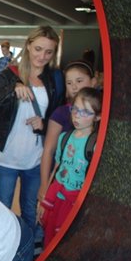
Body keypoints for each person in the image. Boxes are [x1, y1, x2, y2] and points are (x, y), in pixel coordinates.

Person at [0, 25, 64, 249]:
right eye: (38, 49)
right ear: (28, 45)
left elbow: (58, 114)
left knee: (30, 209)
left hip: (36, 157)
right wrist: (14, 89)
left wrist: (45, 123)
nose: (42, 56)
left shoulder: (55, 79)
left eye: (48, 52)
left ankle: (28, 250)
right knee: (2, 208)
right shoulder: (8, 75)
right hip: (6, 157)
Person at [38, 87, 102, 246]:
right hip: (56, 197)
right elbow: (58, 167)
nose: (77, 115)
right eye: (75, 109)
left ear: (98, 116)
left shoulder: (94, 145)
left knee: (66, 242)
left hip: (74, 202)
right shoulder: (64, 138)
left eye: (86, 112)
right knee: (49, 239)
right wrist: (45, 196)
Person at [38, 60, 97, 205]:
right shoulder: (61, 112)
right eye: (69, 83)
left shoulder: (101, 112)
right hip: (62, 185)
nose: (74, 87)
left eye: (79, 81)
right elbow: (49, 150)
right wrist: (44, 184)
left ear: (93, 81)